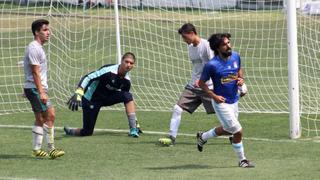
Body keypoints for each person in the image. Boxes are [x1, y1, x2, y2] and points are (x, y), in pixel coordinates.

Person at [197, 33, 254, 168]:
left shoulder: (235, 56)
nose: (228, 46)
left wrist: (241, 81)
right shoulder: (212, 65)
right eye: (224, 44)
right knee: (238, 131)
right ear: (217, 48)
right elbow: (201, 83)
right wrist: (213, 96)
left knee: (228, 130)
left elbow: (239, 71)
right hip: (221, 103)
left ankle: (202, 137)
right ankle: (242, 160)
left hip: (234, 100)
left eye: (228, 43)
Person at [158, 23, 215, 146]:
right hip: (193, 86)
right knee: (177, 108)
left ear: (192, 33)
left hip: (208, 87)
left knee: (222, 111)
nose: (184, 40)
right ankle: (172, 138)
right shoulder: (190, 47)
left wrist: (203, 80)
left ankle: (233, 134)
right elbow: (197, 67)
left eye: (185, 37)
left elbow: (213, 66)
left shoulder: (206, 46)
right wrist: (196, 81)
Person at [64, 52, 142, 137]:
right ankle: (71, 131)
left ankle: (133, 129)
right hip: (91, 99)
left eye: (131, 63)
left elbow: (128, 102)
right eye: (126, 62)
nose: (128, 65)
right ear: (121, 61)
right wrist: (79, 91)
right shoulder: (108, 71)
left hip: (106, 98)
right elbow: (88, 77)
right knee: (87, 132)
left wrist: (135, 121)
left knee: (127, 96)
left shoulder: (126, 81)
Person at [23, 19, 65, 159]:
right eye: (45, 30)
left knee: (40, 118)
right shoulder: (34, 48)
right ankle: (51, 148)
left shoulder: (37, 47)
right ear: (36, 32)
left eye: (48, 30)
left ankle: (36, 149)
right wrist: (40, 92)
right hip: (36, 89)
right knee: (50, 114)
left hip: (33, 88)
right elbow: (35, 71)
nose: (48, 32)